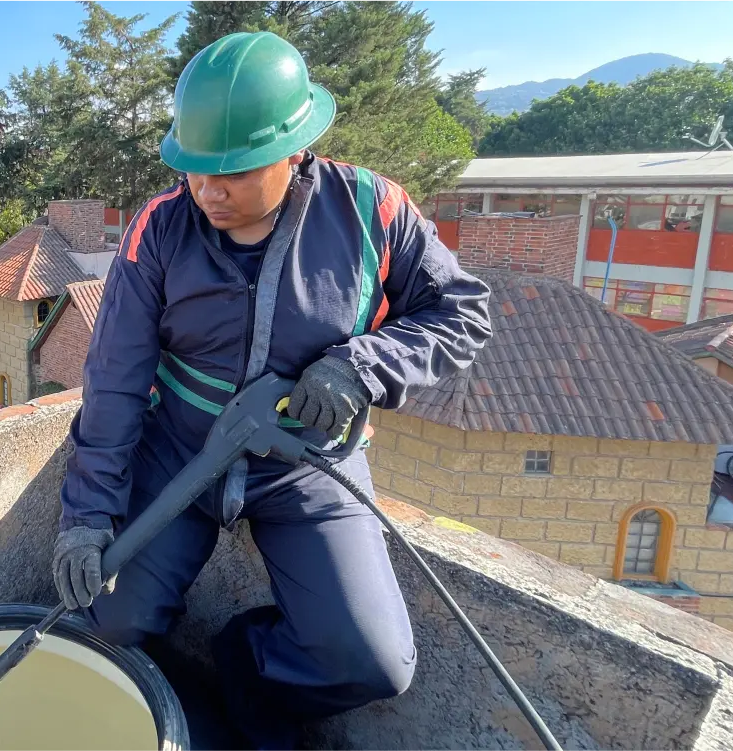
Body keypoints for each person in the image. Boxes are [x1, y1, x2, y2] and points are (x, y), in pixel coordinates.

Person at [51, 32, 493, 749]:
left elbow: (461, 314)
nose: (208, 191)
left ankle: (247, 665)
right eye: (195, 169)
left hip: (307, 465)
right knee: (110, 621)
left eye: (233, 171)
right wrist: (87, 513)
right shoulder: (159, 228)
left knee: (372, 661)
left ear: (295, 149)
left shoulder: (372, 211)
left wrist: (363, 364)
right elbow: (114, 382)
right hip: (182, 454)